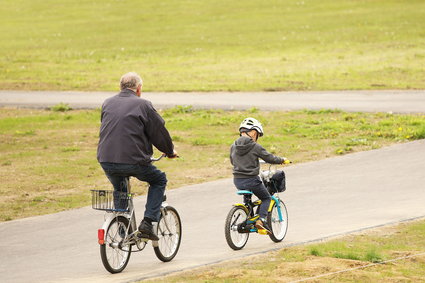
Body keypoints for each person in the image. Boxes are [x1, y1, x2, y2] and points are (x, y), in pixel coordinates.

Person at [97, 72, 177, 240]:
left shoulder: (107, 103)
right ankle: (147, 223)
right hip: (133, 160)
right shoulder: (143, 105)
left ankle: (122, 228)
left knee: (120, 188)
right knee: (158, 179)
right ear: (139, 89)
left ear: (121, 87)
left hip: (106, 159)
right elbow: (158, 132)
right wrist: (169, 151)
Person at [230, 117, 286, 234]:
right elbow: (269, 157)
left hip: (237, 180)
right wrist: (281, 160)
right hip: (252, 180)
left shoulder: (233, 145)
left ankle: (249, 216)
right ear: (253, 132)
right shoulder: (254, 146)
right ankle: (261, 220)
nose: (257, 138)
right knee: (266, 198)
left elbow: (232, 160)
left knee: (248, 197)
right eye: (257, 134)